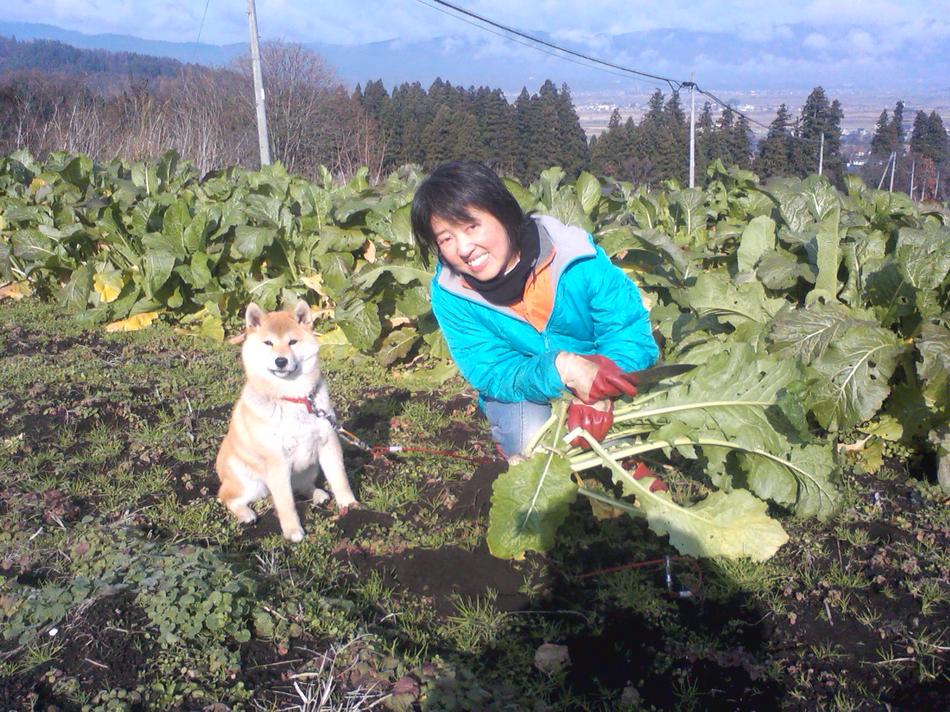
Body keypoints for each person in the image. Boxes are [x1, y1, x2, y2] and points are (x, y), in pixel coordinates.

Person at [410, 160, 659, 462]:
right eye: (447, 239)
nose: (463, 249)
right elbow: (493, 371)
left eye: (471, 227)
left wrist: (601, 387)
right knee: (533, 444)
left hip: (603, 373)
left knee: (626, 442)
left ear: (502, 212)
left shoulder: (575, 257)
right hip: (526, 390)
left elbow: (627, 331)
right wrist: (561, 369)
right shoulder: (452, 293)